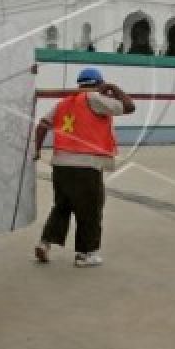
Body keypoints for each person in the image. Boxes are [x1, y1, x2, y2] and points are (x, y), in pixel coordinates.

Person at [32, 67, 135, 267]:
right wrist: (113, 88)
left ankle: (45, 243)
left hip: (61, 165)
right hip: (86, 166)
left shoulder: (63, 103)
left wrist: (37, 151)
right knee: (90, 210)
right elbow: (130, 107)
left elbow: (42, 125)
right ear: (98, 84)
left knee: (62, 207)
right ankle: (86, 254)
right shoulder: (94, 99)